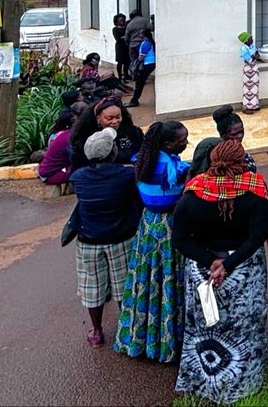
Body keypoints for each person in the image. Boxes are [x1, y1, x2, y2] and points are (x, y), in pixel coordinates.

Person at [172, 140, 268, 404]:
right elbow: (257, 236)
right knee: (244, 325)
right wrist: (227, 264)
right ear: (242, 162)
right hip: (244, 269)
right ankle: (244, 383)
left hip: (203, 269)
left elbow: (180, 239)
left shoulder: (193, 192)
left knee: (204, 324)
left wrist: (211, 260)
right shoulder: (255, 189)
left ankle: (205, 380)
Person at [114, 120, 190, 363]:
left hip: (147, 226)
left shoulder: (143, 159)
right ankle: (168, 343)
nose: (185, 143)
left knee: (147, 282)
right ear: (168, 143)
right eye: (181, 141)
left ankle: (141, 340)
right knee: (168, 283)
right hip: (169, 227)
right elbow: (176, 192)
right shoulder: (172, 168)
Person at [69, 128, 140, 347]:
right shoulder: (127, 174)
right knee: (122, 286)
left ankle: (97, 331)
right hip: (119, 237)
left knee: (93, 287)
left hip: (88, 239)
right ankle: (126, 328)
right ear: (114, 152)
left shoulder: (78, 178)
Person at [69, 97, 145, 171]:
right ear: (98, 118)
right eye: (110, 118)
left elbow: (142, 151)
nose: (115, 121)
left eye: (118, 117)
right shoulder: (86, 138)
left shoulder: (131, 131)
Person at [188, 105, 250, 177]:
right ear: (222, 134)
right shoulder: (209, 147)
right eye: (234, 134)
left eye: (241, 132)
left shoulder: (241, 153)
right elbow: (192, 173)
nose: (240, 136)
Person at [38, 105, 82, 186]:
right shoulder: (68, 137)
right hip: (51, 175)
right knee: (82, 170)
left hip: (50, 170)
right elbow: (76, 157)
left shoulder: (62, 134)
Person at [126, 29, 156, 108]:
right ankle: (134, 100)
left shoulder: (146, 43)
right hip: (149, 64)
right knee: (140, 82)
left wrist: (136, 62)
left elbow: (141, 57)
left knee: (139, 83)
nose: (139, 35)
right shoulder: (150, 42)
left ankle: (134, 101)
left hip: (147, 64)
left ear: (143, 35)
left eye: (140, 34)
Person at [237, 31, 260, 113]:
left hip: (255, 68)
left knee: (255, 87)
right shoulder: (244, 49)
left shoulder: (252, 46)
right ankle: (246, 107)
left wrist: (255, 56)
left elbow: (258, 54)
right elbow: (249, 59)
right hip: (248, 69)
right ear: (246, 41)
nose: (252, 39)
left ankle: (254, 105)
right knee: (248, 88)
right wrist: (254, 56)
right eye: (250, 38)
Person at [124, 10, 151, 76]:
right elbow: (151, 28)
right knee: (142, 61)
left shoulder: (130, 24)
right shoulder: (145, 20)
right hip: (142, 44)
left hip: (132, 45)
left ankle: (134, 74)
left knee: (134, 61)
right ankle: (141, 75)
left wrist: (128, 44)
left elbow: (126, 37)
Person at [112, 13, 132, 83]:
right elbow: (118, 39)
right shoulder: (115, 29)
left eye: (123, 20)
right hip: (120, 47)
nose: (122, 21)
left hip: (127, 46)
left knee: (127, 61)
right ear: (117, 22)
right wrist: (125, 37)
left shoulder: (126, 27)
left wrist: (124, 37)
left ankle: (126, 74)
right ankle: (120, 77)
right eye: (120, 20)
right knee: (120, 62)